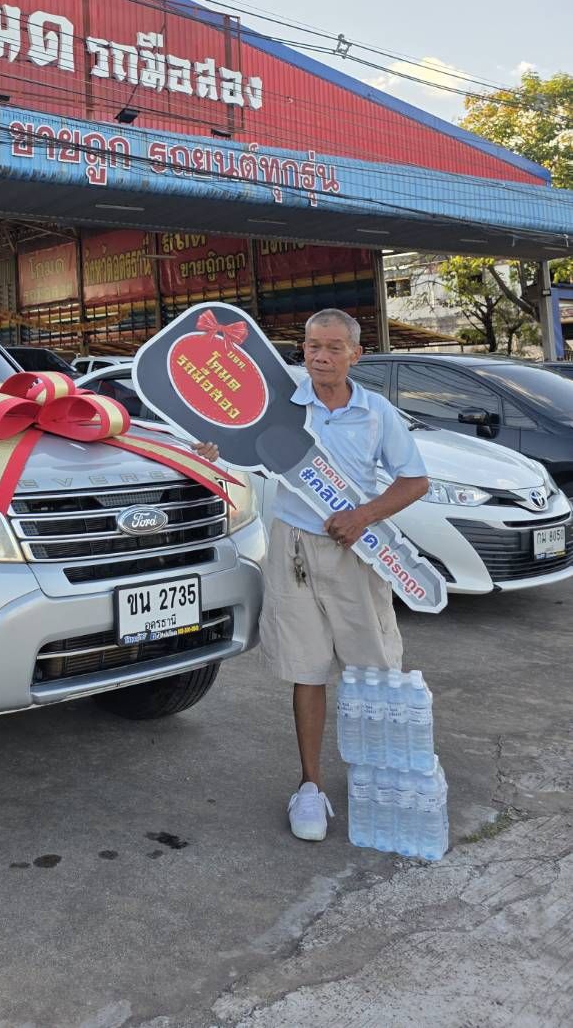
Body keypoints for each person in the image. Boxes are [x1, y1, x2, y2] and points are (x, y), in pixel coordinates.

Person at [200, 308, 428, 842]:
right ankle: (310, 787)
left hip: (356, 550)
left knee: (374, 669)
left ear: (355, 354)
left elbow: (414, 480)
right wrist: (210, 450)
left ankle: (380, 777)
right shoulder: (282, 405)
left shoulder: (376, 413)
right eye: (312, 347)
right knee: (307, 671)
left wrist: (363, 515)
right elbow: (239, 450)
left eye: (333, 348)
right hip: (293, 548)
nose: (321, 357)